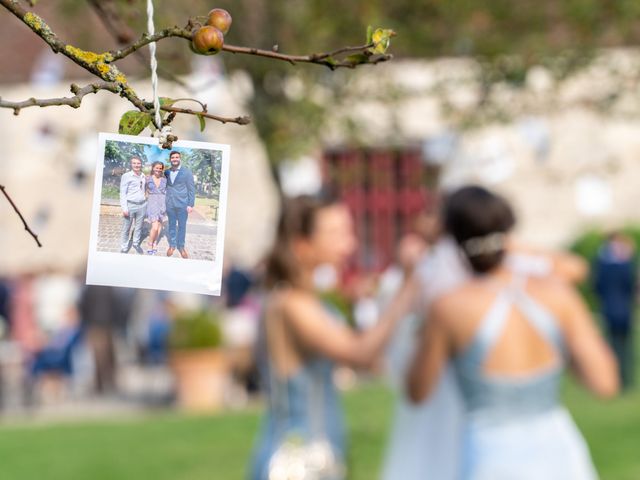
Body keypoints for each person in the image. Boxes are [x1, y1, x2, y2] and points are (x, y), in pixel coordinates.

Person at [408, 185, 618, 480]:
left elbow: (417, 392)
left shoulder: (448, 308)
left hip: (492, 456)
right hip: (560, 453)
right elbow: (605, 383)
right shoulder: (556, 293)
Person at [249, 194, 416, 480]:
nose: (349, 244)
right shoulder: (290, 303)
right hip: (297, 461)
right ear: (301, 244)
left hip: (316, 451)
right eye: (336, 234)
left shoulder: (304, 298)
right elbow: (360, 353)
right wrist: (407, 291)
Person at [594, 232, 637, 390]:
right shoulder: (624, 263)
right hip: (624, 309)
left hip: (609, 308)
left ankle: (616, 379)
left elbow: (597, 287)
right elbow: (630, 286)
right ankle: (625, 379)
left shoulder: (601, 263)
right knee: (624, 346)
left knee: (613, 346)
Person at [164, 151, 195, 259]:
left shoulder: (187, 172)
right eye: (173, 157)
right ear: (170, 159)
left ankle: (181, 246)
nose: (175, 159)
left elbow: (191, 189)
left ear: (180, 158)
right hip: (170, 204)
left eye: (177, 157)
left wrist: (190, 204)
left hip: (182, 204)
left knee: (182, 226)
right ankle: (172, 245)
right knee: (172, 225)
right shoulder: (166, 172)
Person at [119, 156, 147, 254]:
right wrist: (124, 208)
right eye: (134, 163)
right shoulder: (126, 176)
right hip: (130, 205)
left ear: (141, 164)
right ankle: (124, 246)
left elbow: (143, 189)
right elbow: (122, 193)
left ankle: (136, 243)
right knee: (126, 227)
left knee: (139, 226)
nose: (136, 165)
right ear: (131, 164)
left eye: (138, 163)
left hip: (142, 205)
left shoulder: (143, 175)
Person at [145, 161, 167, 255]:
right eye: (156, 168)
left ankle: (155, 242)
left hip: (162, 203)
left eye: (160, 168)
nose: (158, 169)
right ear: (153, 168)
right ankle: (150, 243)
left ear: (162, 169)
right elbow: (143, 189)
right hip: (152, 204)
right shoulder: (147, 178)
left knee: (159, 226)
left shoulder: (165, 180)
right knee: (154, 226)